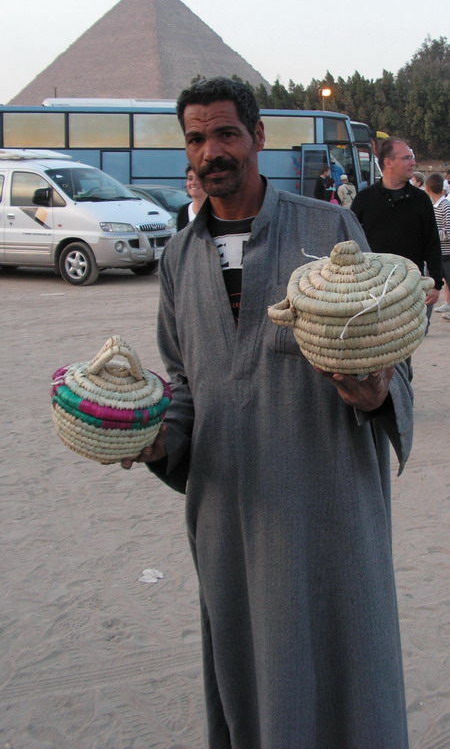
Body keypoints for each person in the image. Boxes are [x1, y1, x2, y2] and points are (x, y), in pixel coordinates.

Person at [122, 78, 413, 748]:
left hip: (329, 513)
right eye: (197, 138)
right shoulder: (176, 260)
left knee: (349, 676)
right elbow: (184, 388)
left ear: (257, 137)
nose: (211, 151)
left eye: (226, 133)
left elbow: (388, 348)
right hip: (235, 525)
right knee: (252, 682)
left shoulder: (326, 227)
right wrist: (153, 440)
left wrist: (374, 392)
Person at [351, 138, 442, 314]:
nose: (413, 162)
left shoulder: (421, 200)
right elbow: (350, 241)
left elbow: (431, 242)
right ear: (388, 162)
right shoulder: (364, 199)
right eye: (407, 158)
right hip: (371, 288)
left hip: (410, 285)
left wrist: (436, 283)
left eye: (412, 157)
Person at [425, 172, 450, 320]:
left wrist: (433, 235)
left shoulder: (445, 206)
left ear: (427, 188)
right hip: (436, 255)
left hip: (446, 255)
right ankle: (425, 321)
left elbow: (448, 232)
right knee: (429, 288)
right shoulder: (433, 206)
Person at [176, 164, 207, 230]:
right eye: (190, 178)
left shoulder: (218, 211)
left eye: (198, 178)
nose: (193, 182)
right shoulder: (183, 211)